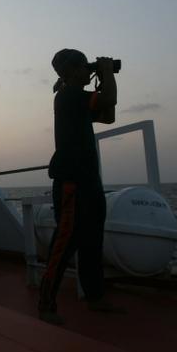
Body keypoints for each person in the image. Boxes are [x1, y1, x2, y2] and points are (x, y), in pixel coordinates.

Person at [38, 49, 123, 325]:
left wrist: (102, 77)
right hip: (72, 183)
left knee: (91, 242)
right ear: (72, 71)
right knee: (64, 243)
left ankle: (95, 297)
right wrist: (107, 72)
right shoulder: (68, 96)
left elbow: (108, 115)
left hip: (87, 181)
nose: (89, 70)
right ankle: (46, 302)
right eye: (85, 67)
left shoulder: (75, 98)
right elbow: (109, 98)